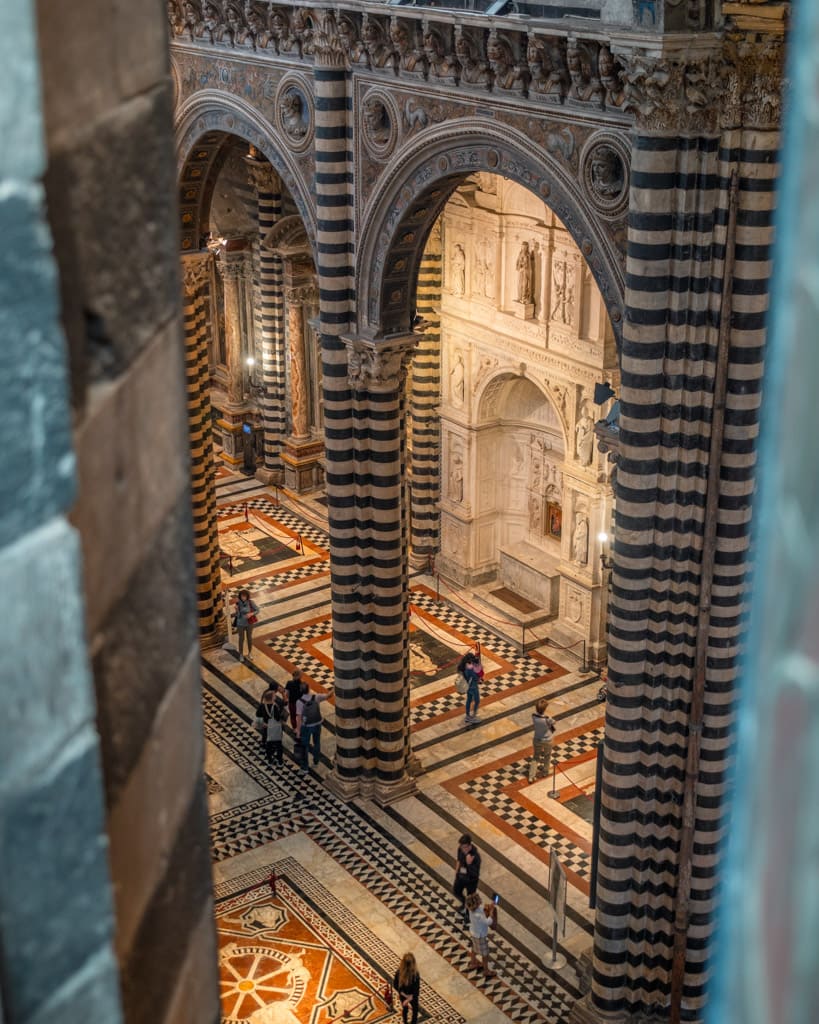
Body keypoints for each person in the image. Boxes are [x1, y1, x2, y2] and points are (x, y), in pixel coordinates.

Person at [295, 681, 332, 773]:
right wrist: (334, 688)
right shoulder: (316, 697)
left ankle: (305, 767)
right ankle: (316, 761)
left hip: (306, 726)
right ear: (309, 688)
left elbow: (299, 717)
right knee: (317, 743)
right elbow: (328, 696)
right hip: (317, 723)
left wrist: (298, 730)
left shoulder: (299, 702)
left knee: (305, 746)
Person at [465, 892, 497, 979]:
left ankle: (473, 962)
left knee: (474, 949)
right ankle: (486, 971)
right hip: (480, 936)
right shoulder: (478, 915)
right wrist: (491, 913)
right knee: (485, 954)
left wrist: (491, 905)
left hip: (474, 933)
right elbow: (488, 922)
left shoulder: (472, 910)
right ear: (477, 902)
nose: (481, 900)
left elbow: (481, 908)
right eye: (479, 899)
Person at [453, 833, 481, 924]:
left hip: (471, 881)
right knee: (456, 891)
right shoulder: (460, 849)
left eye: (465, 847)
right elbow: (459, 860)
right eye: (461, 847)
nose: (463, 849)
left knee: (471, 900)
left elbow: (475, 874)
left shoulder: (476, 857)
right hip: (461, 876)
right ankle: (464, 903)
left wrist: (469, 864)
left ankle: (468, 915)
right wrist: (456, 872)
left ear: (470, 846)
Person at [529, 698, 557, 782]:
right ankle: (545, 772)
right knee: (547, 756)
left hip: (537, 739)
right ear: (544, 709)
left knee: (535, 757)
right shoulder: (547, 718)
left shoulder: (533, 716)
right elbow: (554, 722)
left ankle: (531, 776)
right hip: (547, 740)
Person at [392, 952, 420, 1024]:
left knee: (405, 1008)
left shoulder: (399, 972)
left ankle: (405, 1022)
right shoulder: (415, 974)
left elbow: (395, 985)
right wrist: (408, 998)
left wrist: (406, 998)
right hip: (411, 996)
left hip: (405, 995)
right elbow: (416, 989)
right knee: (415, 1010)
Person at [234, 588, 259, 662]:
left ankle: (250, 653)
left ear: (247, 596)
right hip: (240, 624)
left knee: (249, 638)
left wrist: (251, 614)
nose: (243, 598)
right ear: (240, 596)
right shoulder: (238, 603)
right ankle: (241, 654)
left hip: (249, 623)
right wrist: (237, 610)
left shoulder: (251, 602)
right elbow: (238, 616)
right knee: (241, 639)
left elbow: (257, 610)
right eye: (242, 596)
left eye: (244, 596)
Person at [264, 690, 285, 767]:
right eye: (274, 696)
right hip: (275, 728)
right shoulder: (274, 706)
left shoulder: (264, 705)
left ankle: (270, 760)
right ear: (272, 698)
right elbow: (277, 718)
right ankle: (280, 761)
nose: (275, 696)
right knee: (279, 745)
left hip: (268, 727)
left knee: (269, 744)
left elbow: (259, 714)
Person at [463, 652, 483, 724]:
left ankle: (467, 716)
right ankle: (473, 717)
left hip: (468, 686)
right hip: (473, 687)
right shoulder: (470, 668)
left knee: (469, 700)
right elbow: (476, 677)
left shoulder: (465, 666)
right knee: (477, 701)